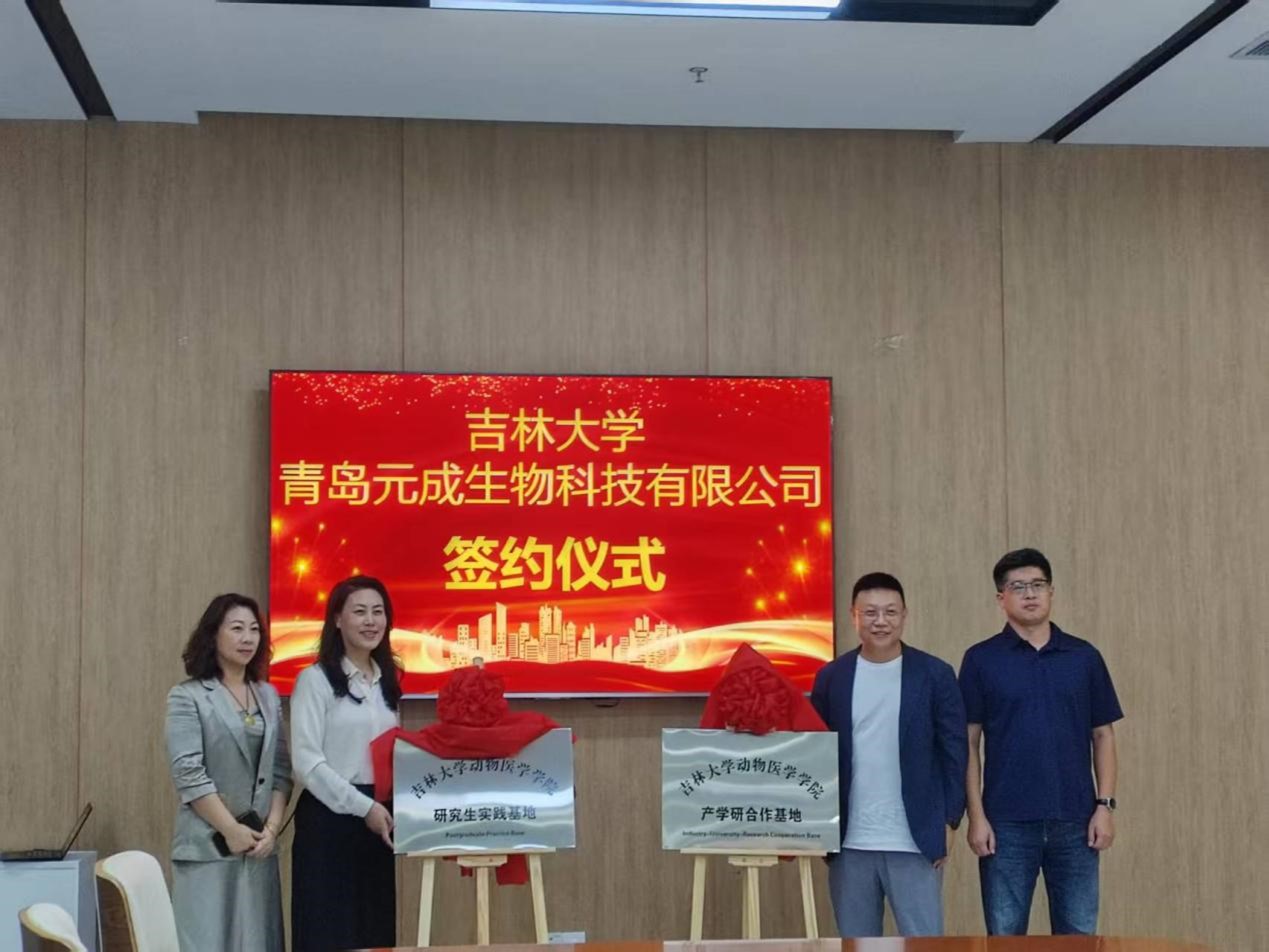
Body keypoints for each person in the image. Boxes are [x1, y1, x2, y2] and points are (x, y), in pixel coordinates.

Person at [959, 548, 1123, 935]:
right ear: (1001, 598)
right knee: (1004, 936)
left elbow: (1103, 735)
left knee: (1078, 937)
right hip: (1005, 823)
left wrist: (1105, 806)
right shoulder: (981, 660)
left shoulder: (1083, 657)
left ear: (1052, 592)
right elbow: (968, 743)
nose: (1030, 594)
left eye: (1038, 584)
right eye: (1018, 587)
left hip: (1076, 820)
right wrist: (976, 817)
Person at [810, 572, 967, 938]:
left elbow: (955, 751)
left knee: (925, 943)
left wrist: (950, 820)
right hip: (849, 842)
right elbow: (815, 751)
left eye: (890, 612)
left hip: (915, 839)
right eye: (870, 612)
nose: (880, 621)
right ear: (854, 616)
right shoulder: (832, 677)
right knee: (857, 943)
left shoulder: (935, 674)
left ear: (904, 615)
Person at [165, 594, 292, 952]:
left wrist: (272, 829)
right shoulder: (187, 696)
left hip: (259, 849)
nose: (247, 638)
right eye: (237, 629)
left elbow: (281, 770)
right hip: (208, 847)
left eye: (254, 630)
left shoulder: (267, 695)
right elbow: (188, 773)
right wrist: (231, 830)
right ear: (213, 634)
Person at [290, 575, 403, 952]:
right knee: (329, 931)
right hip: (330, 820)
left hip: (380, 819)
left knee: (375, 929)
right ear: (337, 619)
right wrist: (362, 806)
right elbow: (306, 762)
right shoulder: (315, 680)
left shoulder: (387, 681)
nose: (371, 621)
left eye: (378, 612)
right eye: (360, 612)